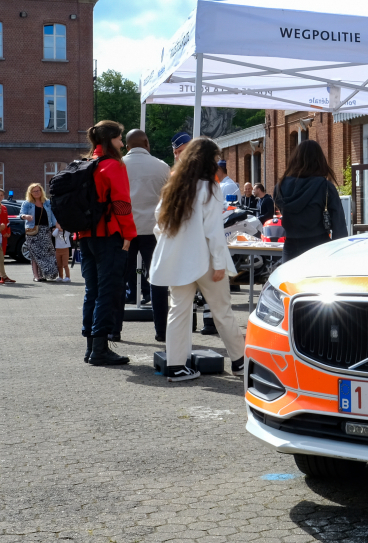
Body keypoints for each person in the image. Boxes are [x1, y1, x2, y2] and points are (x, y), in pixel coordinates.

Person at [150, 137, 246, 382]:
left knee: (178, 311)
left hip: (177, 259)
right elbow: (213, 231)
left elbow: (159, 222)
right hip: (205, 259)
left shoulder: (174, 185)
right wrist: (219, 264)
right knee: (222, 310)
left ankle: (175, 366)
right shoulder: (209, 188)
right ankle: (239, 362)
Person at [77, 120, 137, 367]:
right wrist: (128, 235)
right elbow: (122, 203)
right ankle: (100, 349)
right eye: (119, 138)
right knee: (107, 292)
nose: (122, 143)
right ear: (110, 139)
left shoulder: (86, 163)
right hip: (108, 235)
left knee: (92, 291)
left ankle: (91, 347)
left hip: (84, 235)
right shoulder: (113, 165)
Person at [120, 128, 171, 342]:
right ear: (147, 143)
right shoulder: (162, 167)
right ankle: (161, 330)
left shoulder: (119, 165)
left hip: (125, 231)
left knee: (119, 280)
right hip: (153, 230)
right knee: (158, 280)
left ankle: (114, 329)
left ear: (127, 144)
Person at [273, 141, 348, 262]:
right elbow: (339, 227)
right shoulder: (325, 187)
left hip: (290, 248)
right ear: (319, 160)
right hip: (319, 248)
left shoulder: (280, 186)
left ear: (295, 159)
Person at [20, 184, 59, 282]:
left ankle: (47, 274)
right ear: (30, 193)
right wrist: (26, 216)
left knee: (47, 253)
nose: (37, 193)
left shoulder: (47, 202)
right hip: (32, 231)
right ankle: (36, 276)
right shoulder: (27, 203)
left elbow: (53, 215)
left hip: (45, 230)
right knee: (35, 254)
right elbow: (21, 215)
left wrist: (55, 225)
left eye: (39, 190)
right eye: (34, 191)